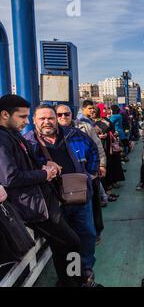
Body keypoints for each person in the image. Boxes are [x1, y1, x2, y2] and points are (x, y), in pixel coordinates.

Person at [0, 95, 81, 287]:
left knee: (63, 244)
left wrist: (46, 164)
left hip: (41, 201)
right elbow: (10, 177)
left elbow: (26, 161)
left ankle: (69, 282)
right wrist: (44, 174)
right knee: (73, 243)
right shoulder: (2, 139)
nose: (26, 122)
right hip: (31, 207)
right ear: (4, 114)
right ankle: (75, 282)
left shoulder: (12, 134)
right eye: (22, 117)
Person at [24, 104, 102, 287]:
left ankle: (85, 271)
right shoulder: (29, 143)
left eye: (50, 118)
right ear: (34, 120)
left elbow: (93, 151)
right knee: (65, 242)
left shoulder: (73, 134)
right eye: (42, 118)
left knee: (86, 234)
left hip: (80, 196)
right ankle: (72, 277)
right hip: (53, 201)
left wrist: (89, 175)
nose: (47, 122)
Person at [56, 103, 106, 243]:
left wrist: (101, 165)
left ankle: (96, 232)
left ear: (72, 114)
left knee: (93, 203)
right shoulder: (54, 131)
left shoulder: (84, 127)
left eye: (66, 114)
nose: (63, 117)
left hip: (88, 173)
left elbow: (97, 147)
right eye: (59, 114)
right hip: (67, 178)